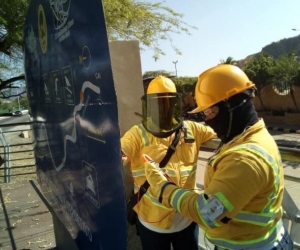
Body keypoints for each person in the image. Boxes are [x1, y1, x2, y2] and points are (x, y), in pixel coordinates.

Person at [144, 65, 294, 250]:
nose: (207, 119)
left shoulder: (245, 158)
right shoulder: (251, 135)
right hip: (262, 239)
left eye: (211, 112)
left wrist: (163, 187)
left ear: (233, 105)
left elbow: (206, 213)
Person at [121, 75, 216, 250]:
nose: (163, 108)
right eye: (158, 103)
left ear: (175, 104)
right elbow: (120, 152)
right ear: (149, 105)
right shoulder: (137, 134)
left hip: (186, 219)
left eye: (167, 102)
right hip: (152, 222)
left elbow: (223, 133)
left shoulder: (192, 129)